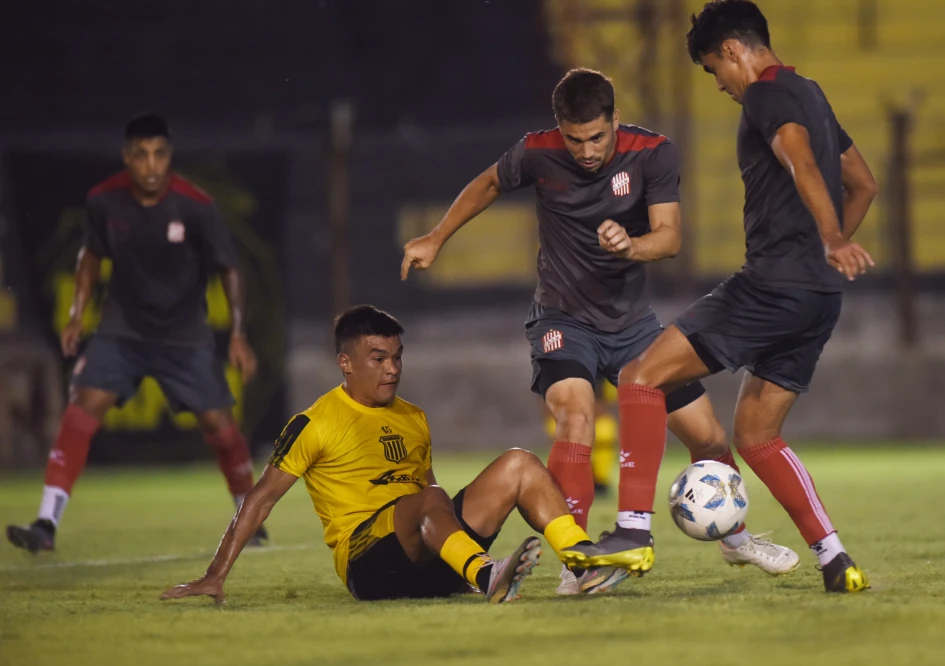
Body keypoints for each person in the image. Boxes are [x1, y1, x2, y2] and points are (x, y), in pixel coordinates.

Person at [402, 69, 799, 595]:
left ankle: (734, 538)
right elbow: (491, 182)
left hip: (633, 326)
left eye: (596, 137)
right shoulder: (537, 152)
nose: (586, 151)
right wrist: (436, 237)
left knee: (708, 437)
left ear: (615, 119)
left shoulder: (653, 153)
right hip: (562, 320)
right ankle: (579, 562)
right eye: (574, 139)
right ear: (558, 130)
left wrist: (631, 245)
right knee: (576, 416)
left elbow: (671, 239)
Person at [564, 0, 879, 593]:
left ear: (733, 51)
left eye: (714, 70)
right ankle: (837, 561)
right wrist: (825, 253)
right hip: (818, 296)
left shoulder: (765, 93)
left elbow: (798, 159)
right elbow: (864, 182)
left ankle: (632, 531)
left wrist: (830, 238)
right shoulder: (812, 92)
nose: (721, 85)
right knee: (757, 437)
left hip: (770, 285)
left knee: (638, 377)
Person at [162, 305, 638, 604]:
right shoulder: (315, 421)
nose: (392, 369)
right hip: (370, 567)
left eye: (397, 357)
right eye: (378, 359)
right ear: (345, 363)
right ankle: (485, 573)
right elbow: (261, 498)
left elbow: (428, 492)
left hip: (430, 551)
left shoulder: (411, 416)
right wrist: (214, 574)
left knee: (520, 463)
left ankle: (581, 562)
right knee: (426, 500)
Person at [6, 114, 262, 554]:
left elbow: (229, 268)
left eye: (159, 154)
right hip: (122, 331)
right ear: (127, 157)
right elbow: (90, 255)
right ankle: (46, 522)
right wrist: (75, 314)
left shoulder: (195, 205)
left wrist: (237, 333)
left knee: (220, 426)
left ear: (169, 157)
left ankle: (249, 516)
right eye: (141, 155)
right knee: (83, 408)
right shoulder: (104, 202)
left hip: (185, 336)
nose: (151, 165)